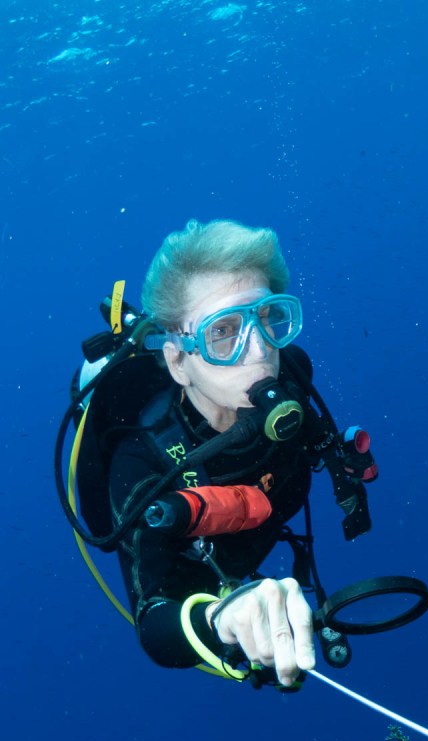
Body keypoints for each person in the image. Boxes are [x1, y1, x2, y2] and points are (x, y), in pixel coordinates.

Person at [106, 219, 355, 687]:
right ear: (178, 362)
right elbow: (154, 624)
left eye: (269, 317)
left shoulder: (293, 377)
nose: (259, 350)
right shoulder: (144, 461)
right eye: (223, 331)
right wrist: (218, 619)